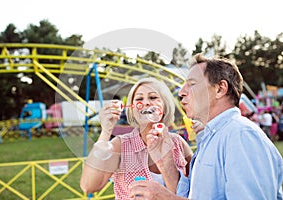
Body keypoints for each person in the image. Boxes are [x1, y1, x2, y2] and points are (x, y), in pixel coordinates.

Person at [129, 53, 283, 199]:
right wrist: (166, 163)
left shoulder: (241, 135)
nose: (182, 92)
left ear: (220, 89)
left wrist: (167, 198)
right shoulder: (211, 138)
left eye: (192, 84)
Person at [80, 77, 194, 200]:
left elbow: (197, 188)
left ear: (165, 105)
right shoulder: (121, 145)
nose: (145, 103)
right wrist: (106, 131)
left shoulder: (178, 143)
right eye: (139, 99)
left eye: (153, 97)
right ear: (133, 110)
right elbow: (88, 186)